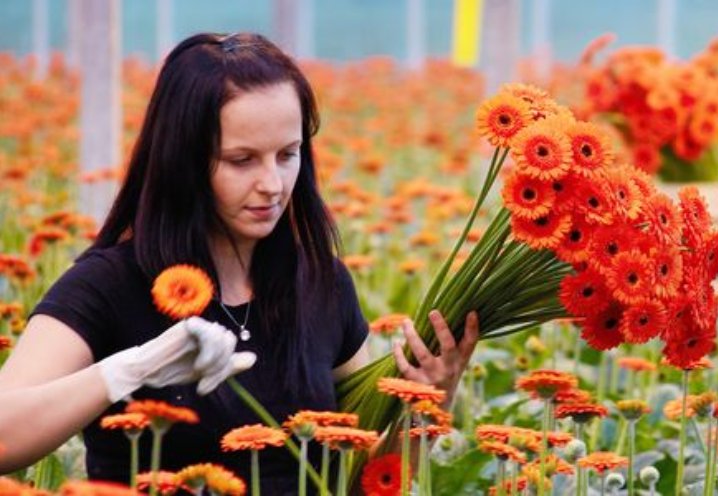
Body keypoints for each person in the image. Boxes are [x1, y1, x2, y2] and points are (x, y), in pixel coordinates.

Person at [0, 33, 478, 494]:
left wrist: (425, 408)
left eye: (287, 155)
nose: (273, 183)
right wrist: (125, 372)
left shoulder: (319, 281)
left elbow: (364, 476)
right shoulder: (109, 284)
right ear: (183, 161)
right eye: (242, 160)